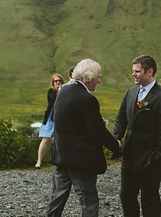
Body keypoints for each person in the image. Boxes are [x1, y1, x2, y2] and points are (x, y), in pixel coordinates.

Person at [46, 59, 121, 217]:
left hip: (61, 155)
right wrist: (116, 146)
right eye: (98, 76)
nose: (100, 80)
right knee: (89, 200)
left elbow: (54, 117)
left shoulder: (63, 91)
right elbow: (98, 131)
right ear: (89, 77)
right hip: (80, 160)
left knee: (57, 198)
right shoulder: (87, 99)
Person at [113, 55, 161, 217]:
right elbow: (121, 118)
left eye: (137, 71)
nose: (133, 74)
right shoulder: (131, 92)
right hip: (129, 156)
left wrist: (157, 157)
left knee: (149, 199)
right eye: (133, 71)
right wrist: (116, 139)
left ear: (150, 71)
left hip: (150, 159)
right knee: (126, 195)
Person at [35, 74, 63, 169]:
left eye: (59, 80)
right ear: (53, 83)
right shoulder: (51, 92)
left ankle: (59, 161)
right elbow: (52, 99)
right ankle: (39, 161)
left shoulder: (65, 91)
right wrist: (59, 91)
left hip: (61, 117)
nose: (58, 82)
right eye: (56, 81)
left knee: (60, 140)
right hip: (51, 118)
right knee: (46, 139)